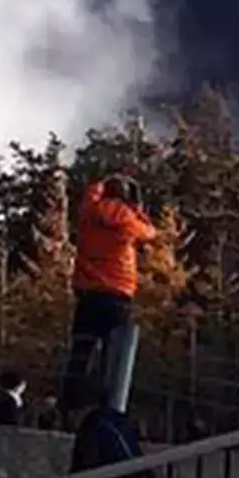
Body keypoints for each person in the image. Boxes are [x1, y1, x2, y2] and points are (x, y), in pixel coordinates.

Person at [63, 175, 161, 413]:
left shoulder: (89, 213)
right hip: (118, 293)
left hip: (88, 293)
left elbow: (89, 195)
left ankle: (69, 404)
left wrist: (103, 181)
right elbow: (151, 232)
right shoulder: (129, 220)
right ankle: (109, 407)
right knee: (114, 355)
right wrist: (138, 209)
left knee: (81, 350)